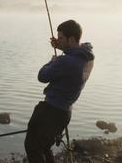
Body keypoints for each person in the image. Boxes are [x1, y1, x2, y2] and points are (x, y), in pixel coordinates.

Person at [25, 19, 95, 163]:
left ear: (72, 39)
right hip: (64, 113)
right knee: (44, 147)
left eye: (61, 38)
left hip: (51, 111)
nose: (58, 40)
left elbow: (42, 76)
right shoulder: (86, 57)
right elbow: (75, 52)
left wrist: (52, 62)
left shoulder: (66, 62)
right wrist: (61, 46)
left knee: (33, 147)